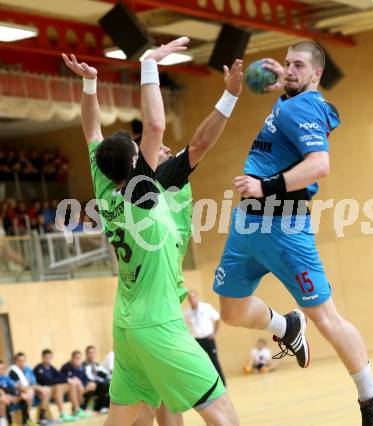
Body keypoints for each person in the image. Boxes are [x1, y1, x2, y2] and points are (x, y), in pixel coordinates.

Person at [61, 36, 241, 426]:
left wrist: (90, 84)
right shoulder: (144, 193)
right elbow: (157, 123)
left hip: (127, 320)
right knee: (223, 415)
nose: (158, 149)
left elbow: (91, 131)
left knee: (133, 416)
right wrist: (148, 64)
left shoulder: (108, 186)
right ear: (136, 162)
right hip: (157, 322)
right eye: (142, 148)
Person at [213, 40, 373, 426]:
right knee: (231, 309)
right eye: (288, 63)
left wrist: (266, 186)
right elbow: (307, 106)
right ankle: (286, 325)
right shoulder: (294, 101)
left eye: (298, 65)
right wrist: (283, 81)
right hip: (247, 224)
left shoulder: (305, 106)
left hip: (283, 225)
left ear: (317, 74)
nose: (289, 69)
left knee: (326, 318)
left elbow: (319, 164)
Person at [185, 290, 226, 386]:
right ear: (188, 300)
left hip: (208, 339)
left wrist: (214, 333)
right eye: (190, 298)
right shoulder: (187, 313)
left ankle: (223, 384)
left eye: (193, 297)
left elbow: (217, 319)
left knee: (215, 361)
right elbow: (185, 326)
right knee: (199, 364)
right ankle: (204, 385)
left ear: (197, 297)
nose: (192, 300)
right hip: (197, 341)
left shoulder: (206, 307)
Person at [33, 349, 83, 422]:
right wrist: (66, 380)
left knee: (71, 384)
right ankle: (62, 413)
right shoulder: (39, 369)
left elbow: (60, 376)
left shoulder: (51, 368)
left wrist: (70, 379)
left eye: (49, 357)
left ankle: (77, 409)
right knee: (58, 386)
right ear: (42, 358)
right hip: (43, 391)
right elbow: (47, 381)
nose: (48, 359)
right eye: (46, 357)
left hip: (53, 389)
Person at [8, 352, 51, 425]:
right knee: (29, 393)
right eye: (19, 361)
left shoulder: (28, 369)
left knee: (46, 390)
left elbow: (33, 382)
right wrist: (35, 388)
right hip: (17, 393)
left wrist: (38, 390)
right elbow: (20, 387)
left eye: (23, 360)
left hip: (29, 389)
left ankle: (41, 416)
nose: (22, 363)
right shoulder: (13, 371)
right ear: (15, 362)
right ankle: (26, 419)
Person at [61, 351, 94, 418]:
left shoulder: (81, 368)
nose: (78, 360)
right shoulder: (66, 367)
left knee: (92, 385)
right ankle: (77, 409)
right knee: (78, 387)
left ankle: (82, 407)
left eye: (79, 358)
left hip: (80, 388)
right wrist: (78, 383)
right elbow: (63, 378)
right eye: (76, 358)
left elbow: (86, 379)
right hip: (69, 389)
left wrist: (82, 384)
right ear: (72, 359)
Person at [0, 359, 34, 426]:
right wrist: (3, 394)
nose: (1, 371)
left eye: (2, 369)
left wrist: (26, 390)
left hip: (10, 396)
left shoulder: (5, 378)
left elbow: (16, 385)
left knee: (28, 394)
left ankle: (26, 420)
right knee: (3, 399)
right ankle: (5, 423)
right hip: (4, 398)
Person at [83, 346, 111, 413]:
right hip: (91, 385)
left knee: (110, 384)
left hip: (100, 384)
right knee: (104, 385)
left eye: (93, 353)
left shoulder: (97, 365)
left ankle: (107, 406)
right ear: (86, 354)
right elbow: (89, 377)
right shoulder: (84, 365)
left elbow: (107, 374)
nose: (91, 354)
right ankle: (102, 407)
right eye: (89, 353)